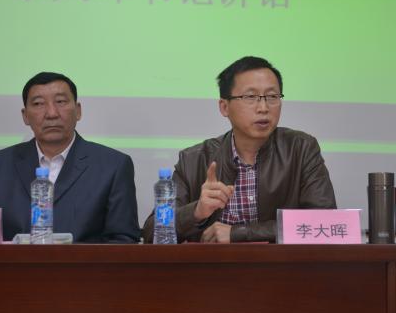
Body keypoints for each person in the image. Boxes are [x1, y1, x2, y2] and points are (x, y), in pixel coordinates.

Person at [142, 56, 336, 243]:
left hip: (282, 265)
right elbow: (152, 232)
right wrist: (197, 211)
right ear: (224, 107)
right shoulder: (194, 159)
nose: (263, 107)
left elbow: (325, 223)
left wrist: (238, 233)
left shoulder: (301, 149)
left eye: (272, 96)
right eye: (250, 97)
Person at [0, 72, 140, 243]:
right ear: (25, 115)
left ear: (78, 111)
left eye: (60, 102)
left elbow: (123, 240)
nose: (51, 113)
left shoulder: (113, 166)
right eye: (38, 104)